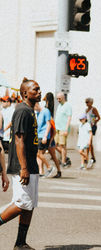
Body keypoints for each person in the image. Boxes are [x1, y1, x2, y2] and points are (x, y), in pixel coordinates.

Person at [0, 77, 42, 250]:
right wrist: (24, 168)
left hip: (31, 164)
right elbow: (19, 140)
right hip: (22, 166)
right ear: (25, 93)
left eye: (39, 89)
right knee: (21, 204)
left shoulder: (30, 110)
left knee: (29, 205)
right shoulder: (22, 110)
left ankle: (20, 243)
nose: (39, 92)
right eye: (35, 89)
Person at [34, 102, 56, 178]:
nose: (34, 109)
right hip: (38, 135)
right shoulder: (38, 113)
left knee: (38, 153)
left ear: (37, 104)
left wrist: (45, 136)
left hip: (43, 135)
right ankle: (41, 171)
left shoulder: (46, 111)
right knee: (40, 155)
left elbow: (49, 124)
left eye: (34, 107)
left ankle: (49, 167)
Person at [43, 93, 61, 178]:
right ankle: (58, 171)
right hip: (50, 136)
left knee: (40, 154)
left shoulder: (46, 110)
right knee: (52, 156)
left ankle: (45, 170)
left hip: (48, 136)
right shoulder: (51, 109)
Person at [55, 92, 72, 168]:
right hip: (57, 128)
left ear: (63, 98)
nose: (58, 100)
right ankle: (65, 156)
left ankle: (63, 161)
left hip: (63, 128)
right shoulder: (59, 106)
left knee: (62, 146)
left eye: (59, 98)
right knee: (54, 145)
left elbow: (69, 118)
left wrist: (66, 129)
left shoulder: (67, 106)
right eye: (57, 98)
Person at [85, 97, 100, 163]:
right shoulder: (86, 110)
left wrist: (94, 122)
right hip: (87, 126)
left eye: (87, 102)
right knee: (88, 142)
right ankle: (91, 157)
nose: (86, 103)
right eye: (86, 102)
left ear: (91, 103)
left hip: (92, 127)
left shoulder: (94, 109)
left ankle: (89, 157)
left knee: (90, 142)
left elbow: (98, 117)